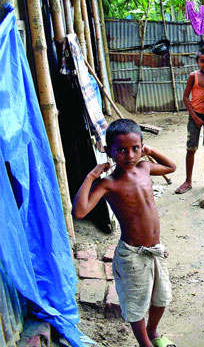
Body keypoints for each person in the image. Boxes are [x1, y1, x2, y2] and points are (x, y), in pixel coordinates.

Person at [72, 119, 177, 347]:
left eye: (135, 148)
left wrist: (149, 151)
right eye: (121, 150)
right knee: (137, 302)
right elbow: (79, 211)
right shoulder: (108, 184)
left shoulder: (145, 167)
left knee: (161, 297)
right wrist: (91, 177)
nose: (130, 156)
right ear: (108, 151)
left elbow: (171, 167)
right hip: (132, 255)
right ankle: (144, 343)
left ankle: (153, 330)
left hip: (155, 250)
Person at [175, 48, 204, 194]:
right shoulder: (193, 76)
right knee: (191, 148)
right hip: (194, 115)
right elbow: (185, 97)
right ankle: (188, 181)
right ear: (197, 62)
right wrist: (195, 117)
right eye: (202, 61)